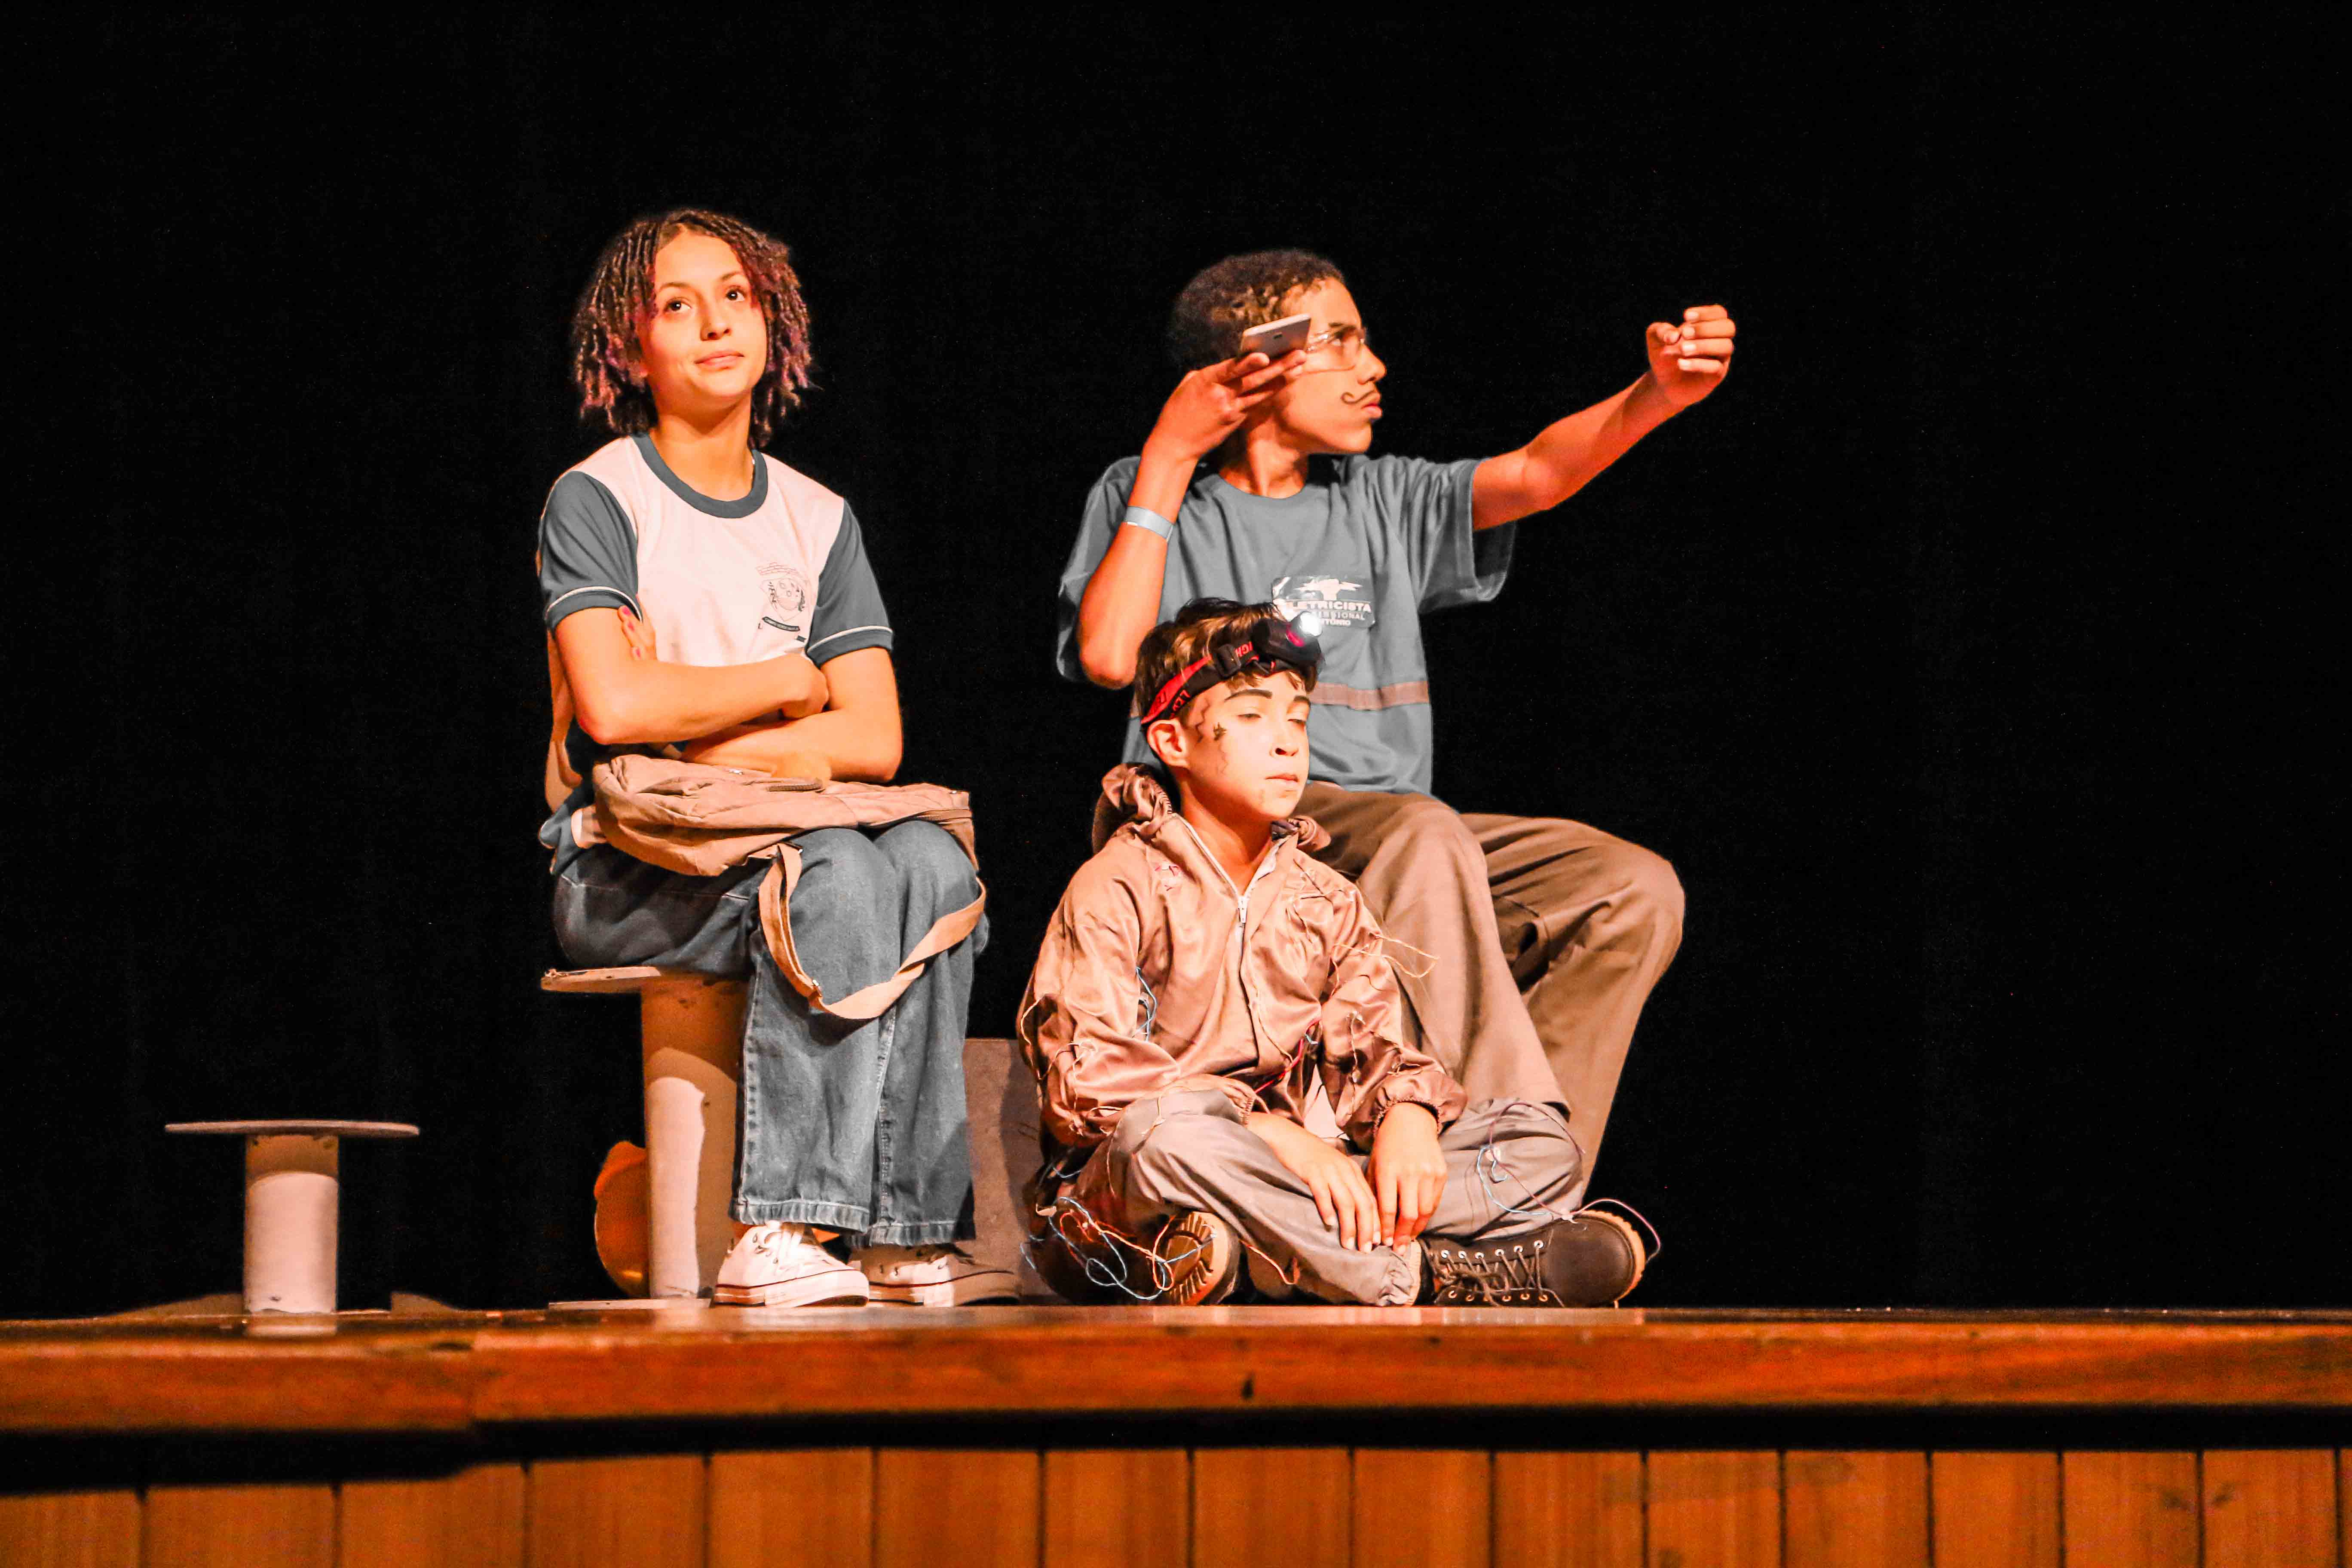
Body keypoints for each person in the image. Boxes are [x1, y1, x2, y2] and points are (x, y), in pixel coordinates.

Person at [1055, 251, 1736, 1200]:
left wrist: (1657, 395)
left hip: (1392, 842)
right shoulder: (1155, 492)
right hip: (1228, 840)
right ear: (1253, 364)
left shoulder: (1380, 499)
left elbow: (1539, 473)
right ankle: (1491, 1180)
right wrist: (1169, 458)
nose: (1372, 366)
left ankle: (1522, 1184)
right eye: (1340, 340)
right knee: (1425, 834)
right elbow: (1107, 656)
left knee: (1628, 888)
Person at [537, 208, 1013, 1308]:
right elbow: (615, 706)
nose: (716, 323)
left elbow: (875, 738)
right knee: (835, 870)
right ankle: (784, 1225)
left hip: (775, 834)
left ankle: (903, 1229)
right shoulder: (600, 497)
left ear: (774, 322)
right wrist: (794, 682)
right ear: (631, 349)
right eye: (677, 304)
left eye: (737, 297)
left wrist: (699, 723)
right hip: (627, 862)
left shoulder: (818, 517)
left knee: (934, 866)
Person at [1018, 600, 1648, 1307]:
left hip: (1286, 1182)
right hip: (1127, 1203)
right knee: (1164, 1138)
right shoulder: (1119, 883)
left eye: (1298, 720)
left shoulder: (1325, 897)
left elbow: (1373, 1050)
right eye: (1252, 717)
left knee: (1539, 1143)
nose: (1287, 743)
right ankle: (1425, 1275)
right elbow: (1091, 1087)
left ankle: (1291, 1257)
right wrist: (1265, 1130)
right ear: (1172, 741)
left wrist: (1406, 1117)